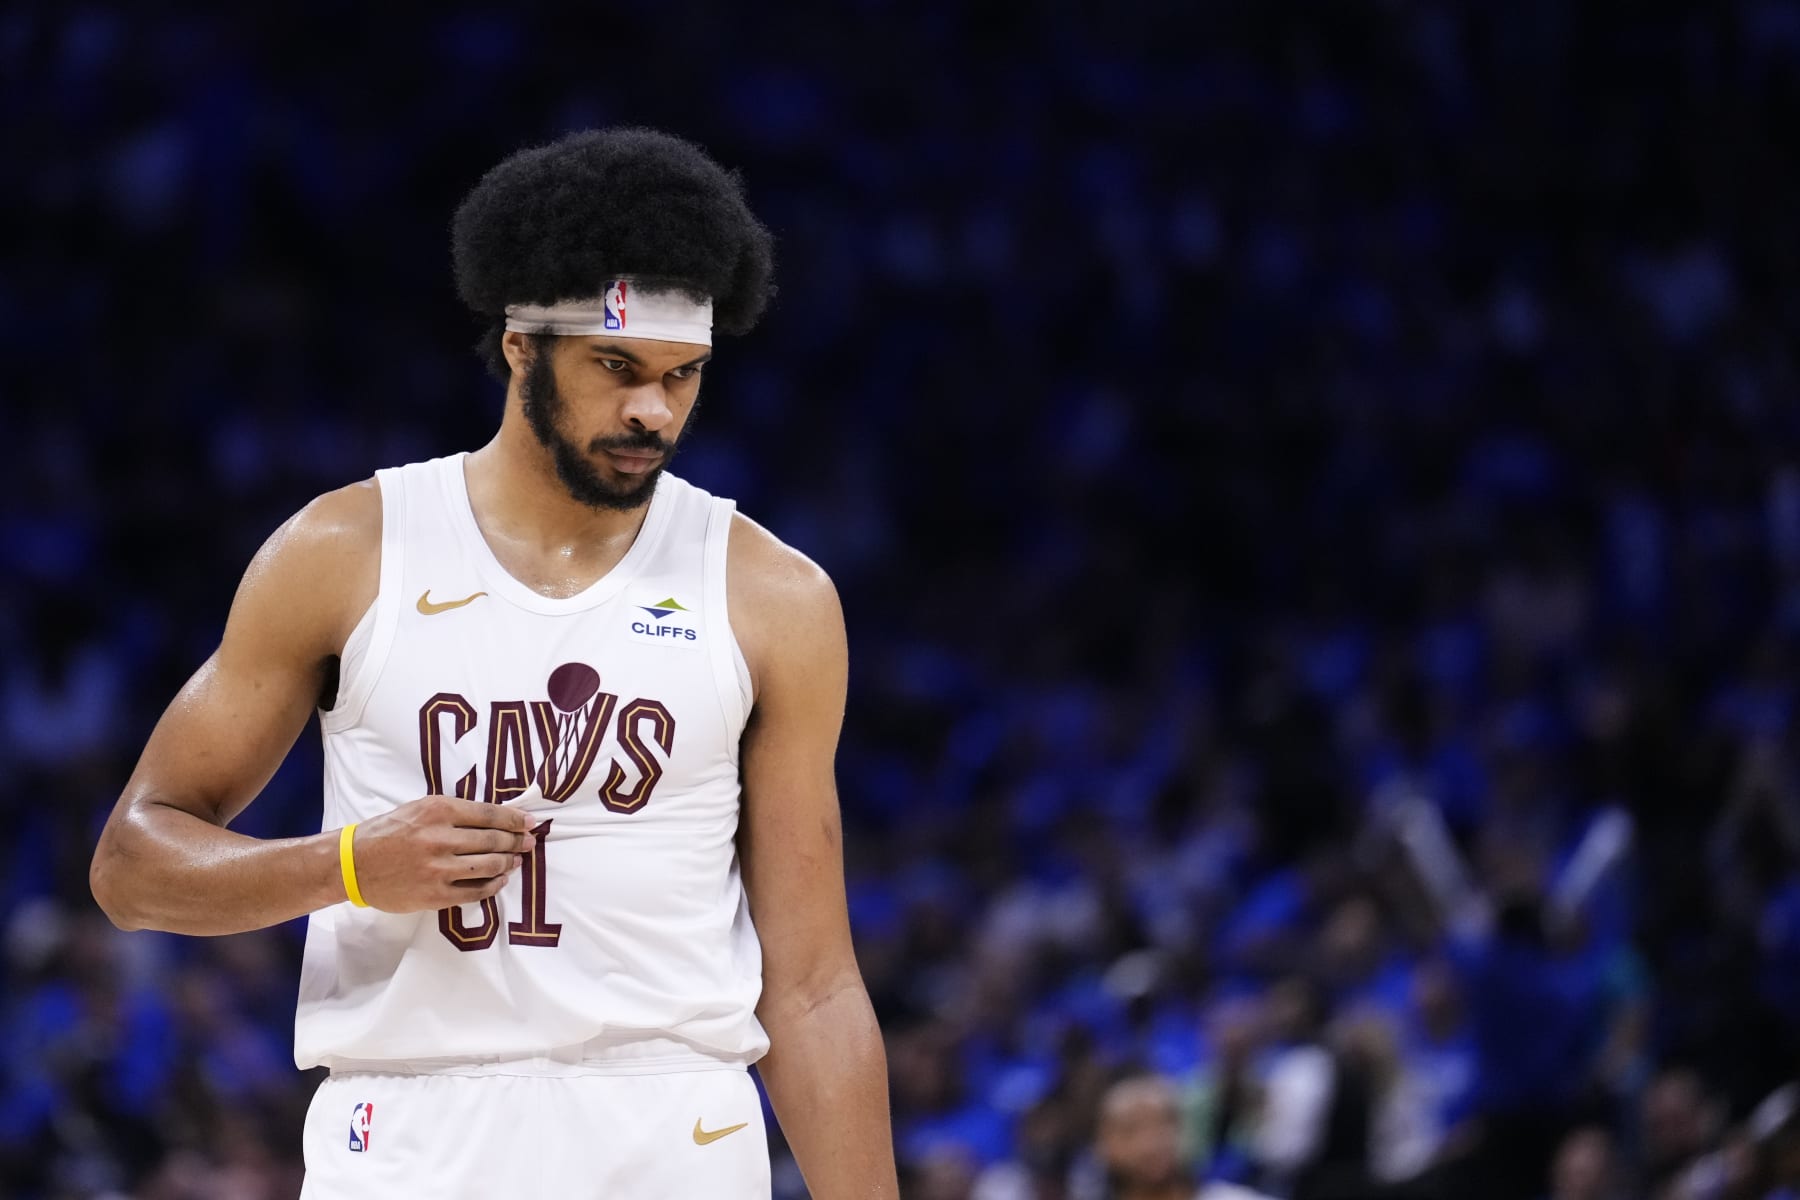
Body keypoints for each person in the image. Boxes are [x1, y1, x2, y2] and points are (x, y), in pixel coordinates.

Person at [89, 127, 898, 1199]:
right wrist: (343, 868)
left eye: (682, 375)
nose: (652, 411)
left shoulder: (773, 595)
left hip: (672, 1124)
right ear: (523, 343)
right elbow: (132, 868)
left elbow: (812, 990)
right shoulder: (345, 551)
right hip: (415, 1126)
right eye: (617, 368)